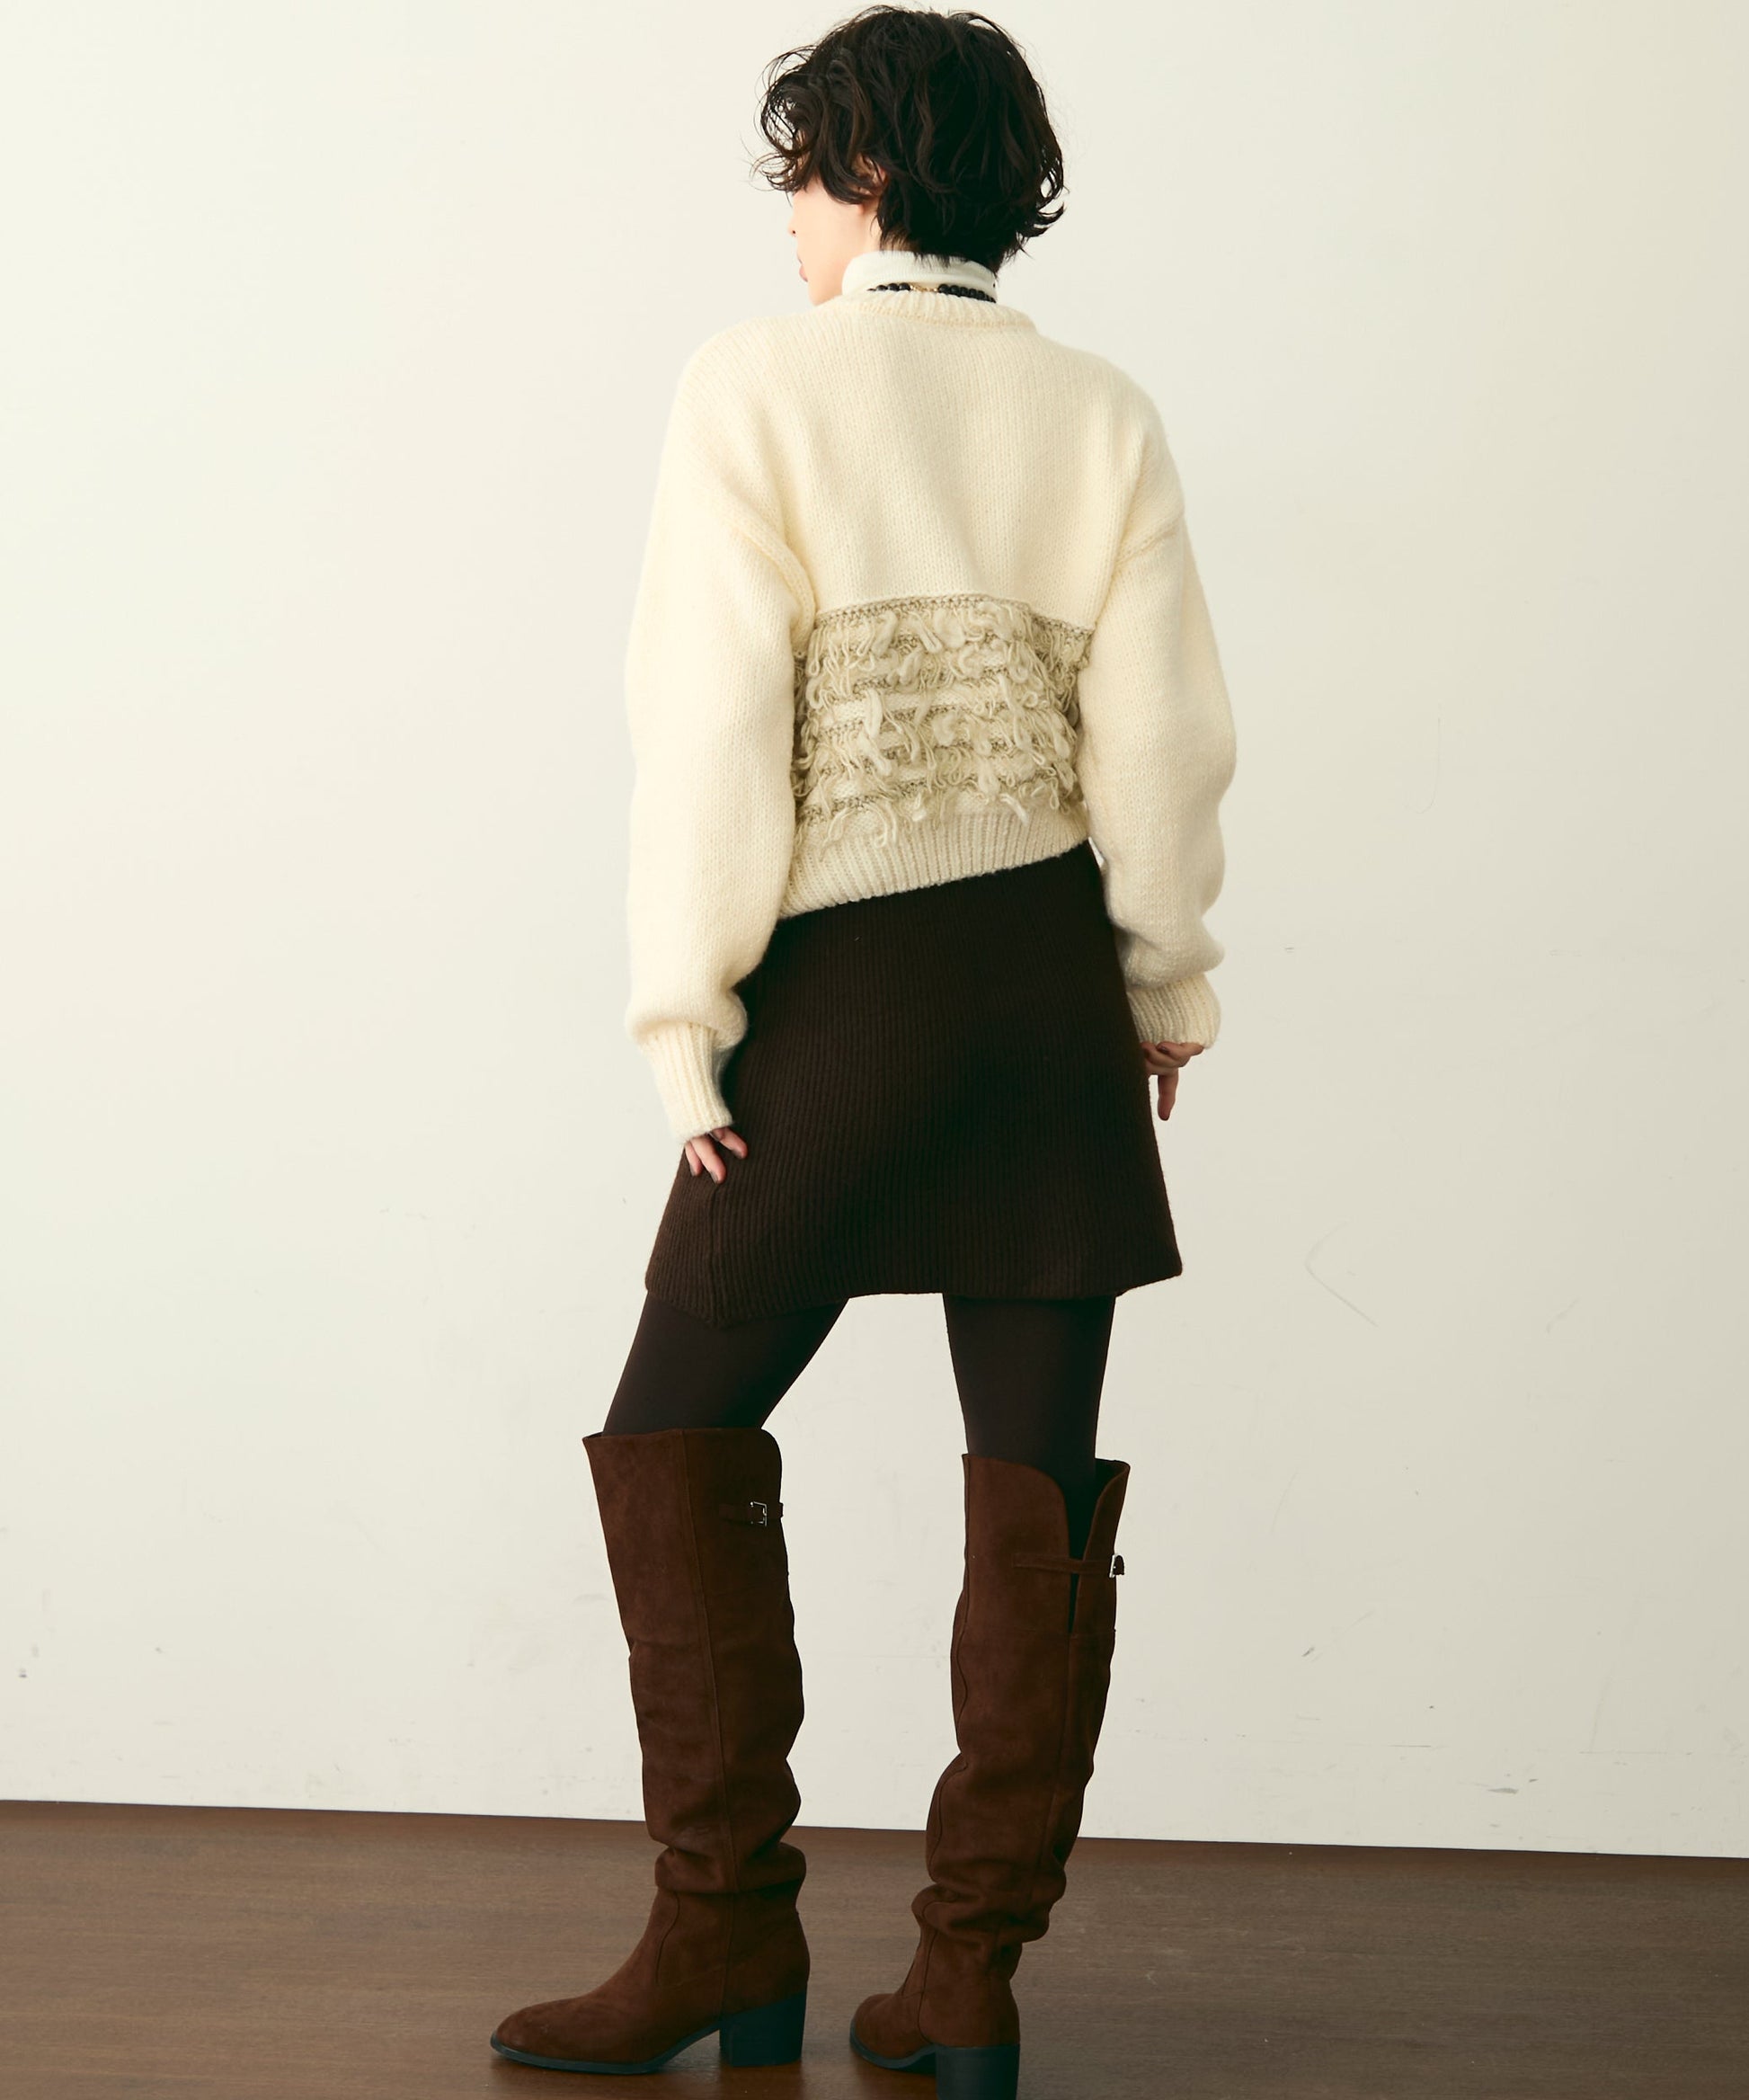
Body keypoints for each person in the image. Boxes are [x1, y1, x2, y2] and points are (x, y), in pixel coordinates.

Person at [489, 7, 1237, 2093]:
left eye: (805, 180)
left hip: (841, 1001)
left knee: (673, 1427)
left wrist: (685, 1027)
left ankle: (723, 1922)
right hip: (1043, 1006)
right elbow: (1162, 738)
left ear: (874, 174)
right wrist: (1158, 984)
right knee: (1039, 1488)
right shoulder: (1100, 412)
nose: (793, 223)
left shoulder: (756, 383)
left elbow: (710, 729)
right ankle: (967, 1976)